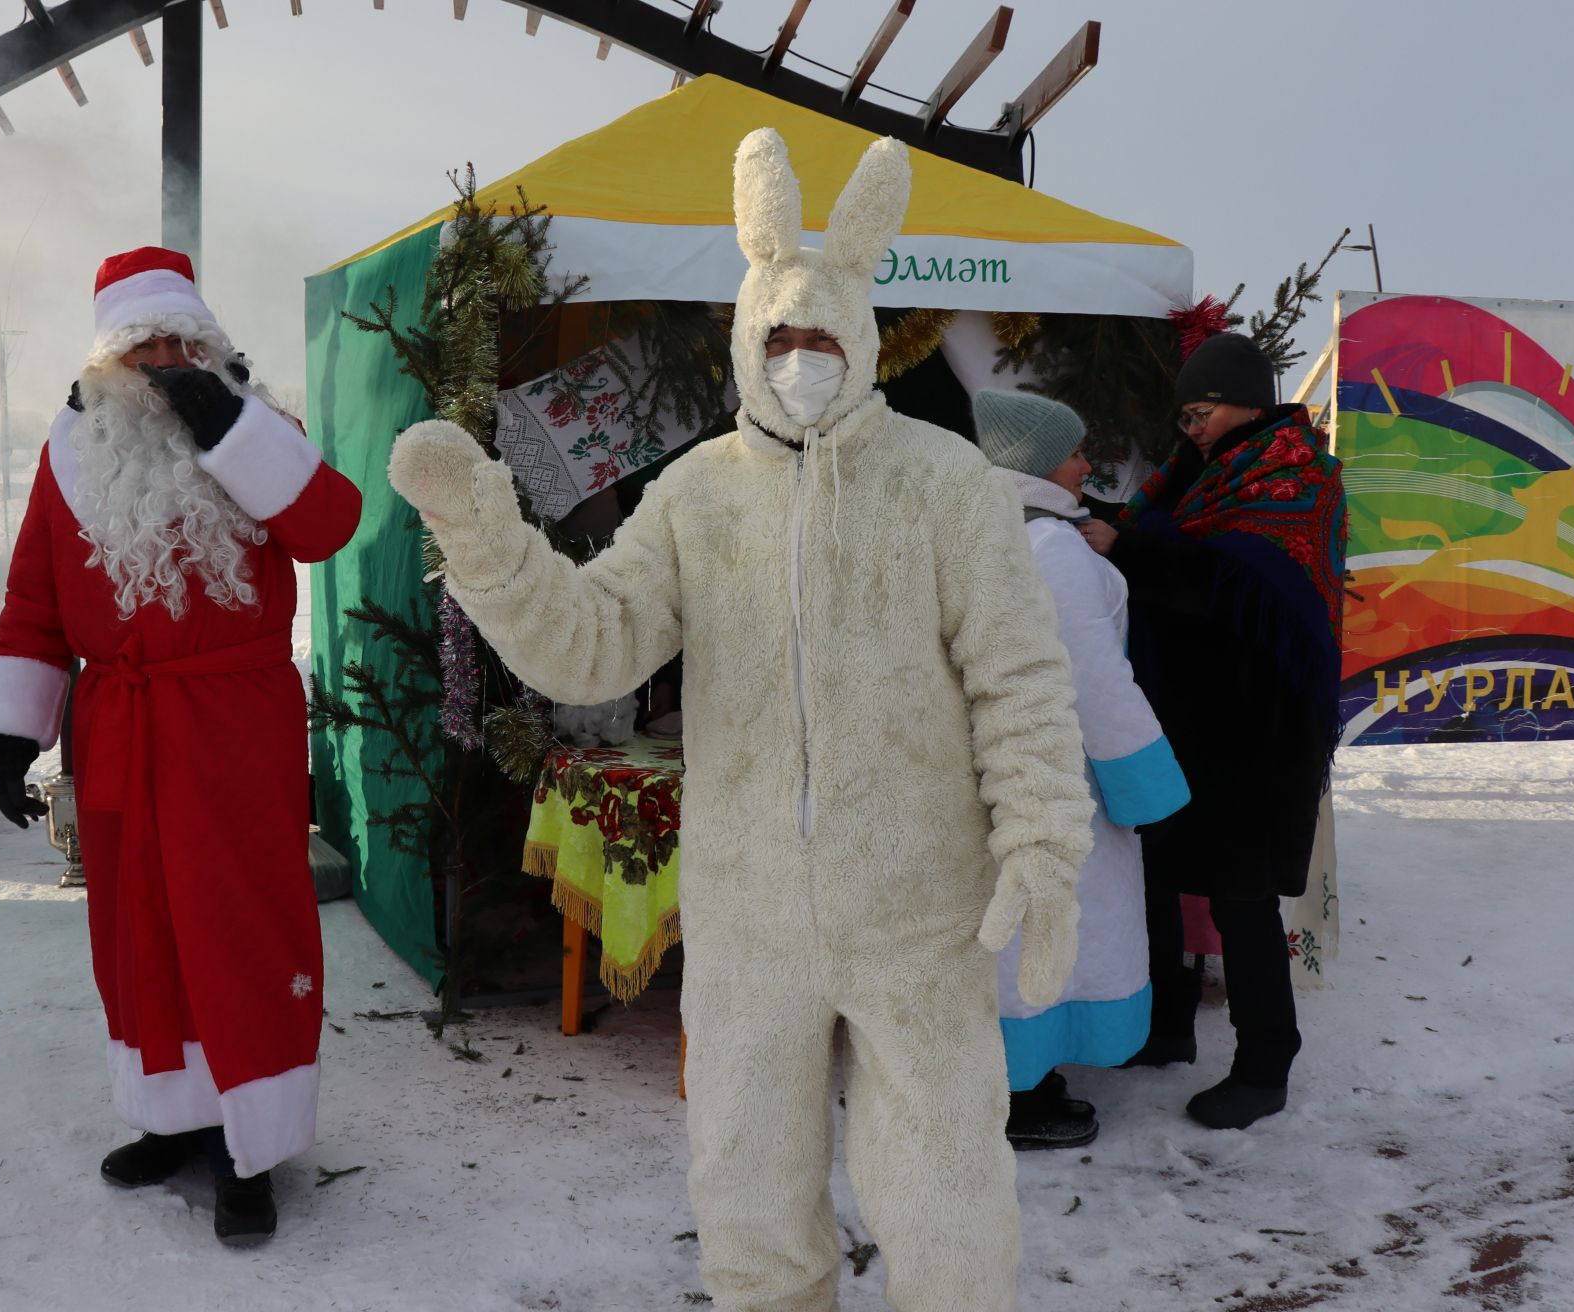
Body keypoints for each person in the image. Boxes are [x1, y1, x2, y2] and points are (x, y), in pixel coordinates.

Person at [388, 130, 1094, 1312]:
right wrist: (489, 544)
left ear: (865, 339)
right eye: (783, 335)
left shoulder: (942, 484)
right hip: (749, 915)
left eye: (826, 337)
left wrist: (1043, 843)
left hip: (919, 906)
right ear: (746, 336)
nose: (803, 358)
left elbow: (1018, 679)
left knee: (947, 1192)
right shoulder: (696, 491)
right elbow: (593, 638)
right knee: (748, 1195)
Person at [0, 246, 361, 1243]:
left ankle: (251, 1147)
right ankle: (174, 1116)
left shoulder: (257, 432)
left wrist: (229, 427)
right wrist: (16, 729)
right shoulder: (70, 451)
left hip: (233, 727)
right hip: (121, 731)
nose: (159, 360)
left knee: (241, 927)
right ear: (106, 362)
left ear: (210, 346)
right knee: (140, 929)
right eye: (138, 347)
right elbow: (35, 600)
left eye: (177, 341)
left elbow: (329, 522)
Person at [1084, 332, 1346, 1130]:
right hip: (1196, 722)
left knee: (1241, 901)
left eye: (1201, 412)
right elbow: (1165, 535)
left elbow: (1229, 584)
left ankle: (1266, 1065)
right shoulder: (1208, 472)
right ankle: (1165, 1029)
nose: (1190, 428)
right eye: (1186, 415)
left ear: (1246, 401)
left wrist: (1129, 548)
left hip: (1259, 736)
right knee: (1157, 873)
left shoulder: (1293, 476)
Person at [972, 390, 1192, 1151]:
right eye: (1074, 451)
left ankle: (982, 1076)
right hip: (1055, 783)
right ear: (1038, 461)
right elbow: (1091, 679)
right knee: (1044, 932)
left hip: (981, 777)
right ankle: (1020, 1094)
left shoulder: (965, 530)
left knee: (989, 931)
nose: (1087, 464)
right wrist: (1146, 783)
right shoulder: (1053, 550)